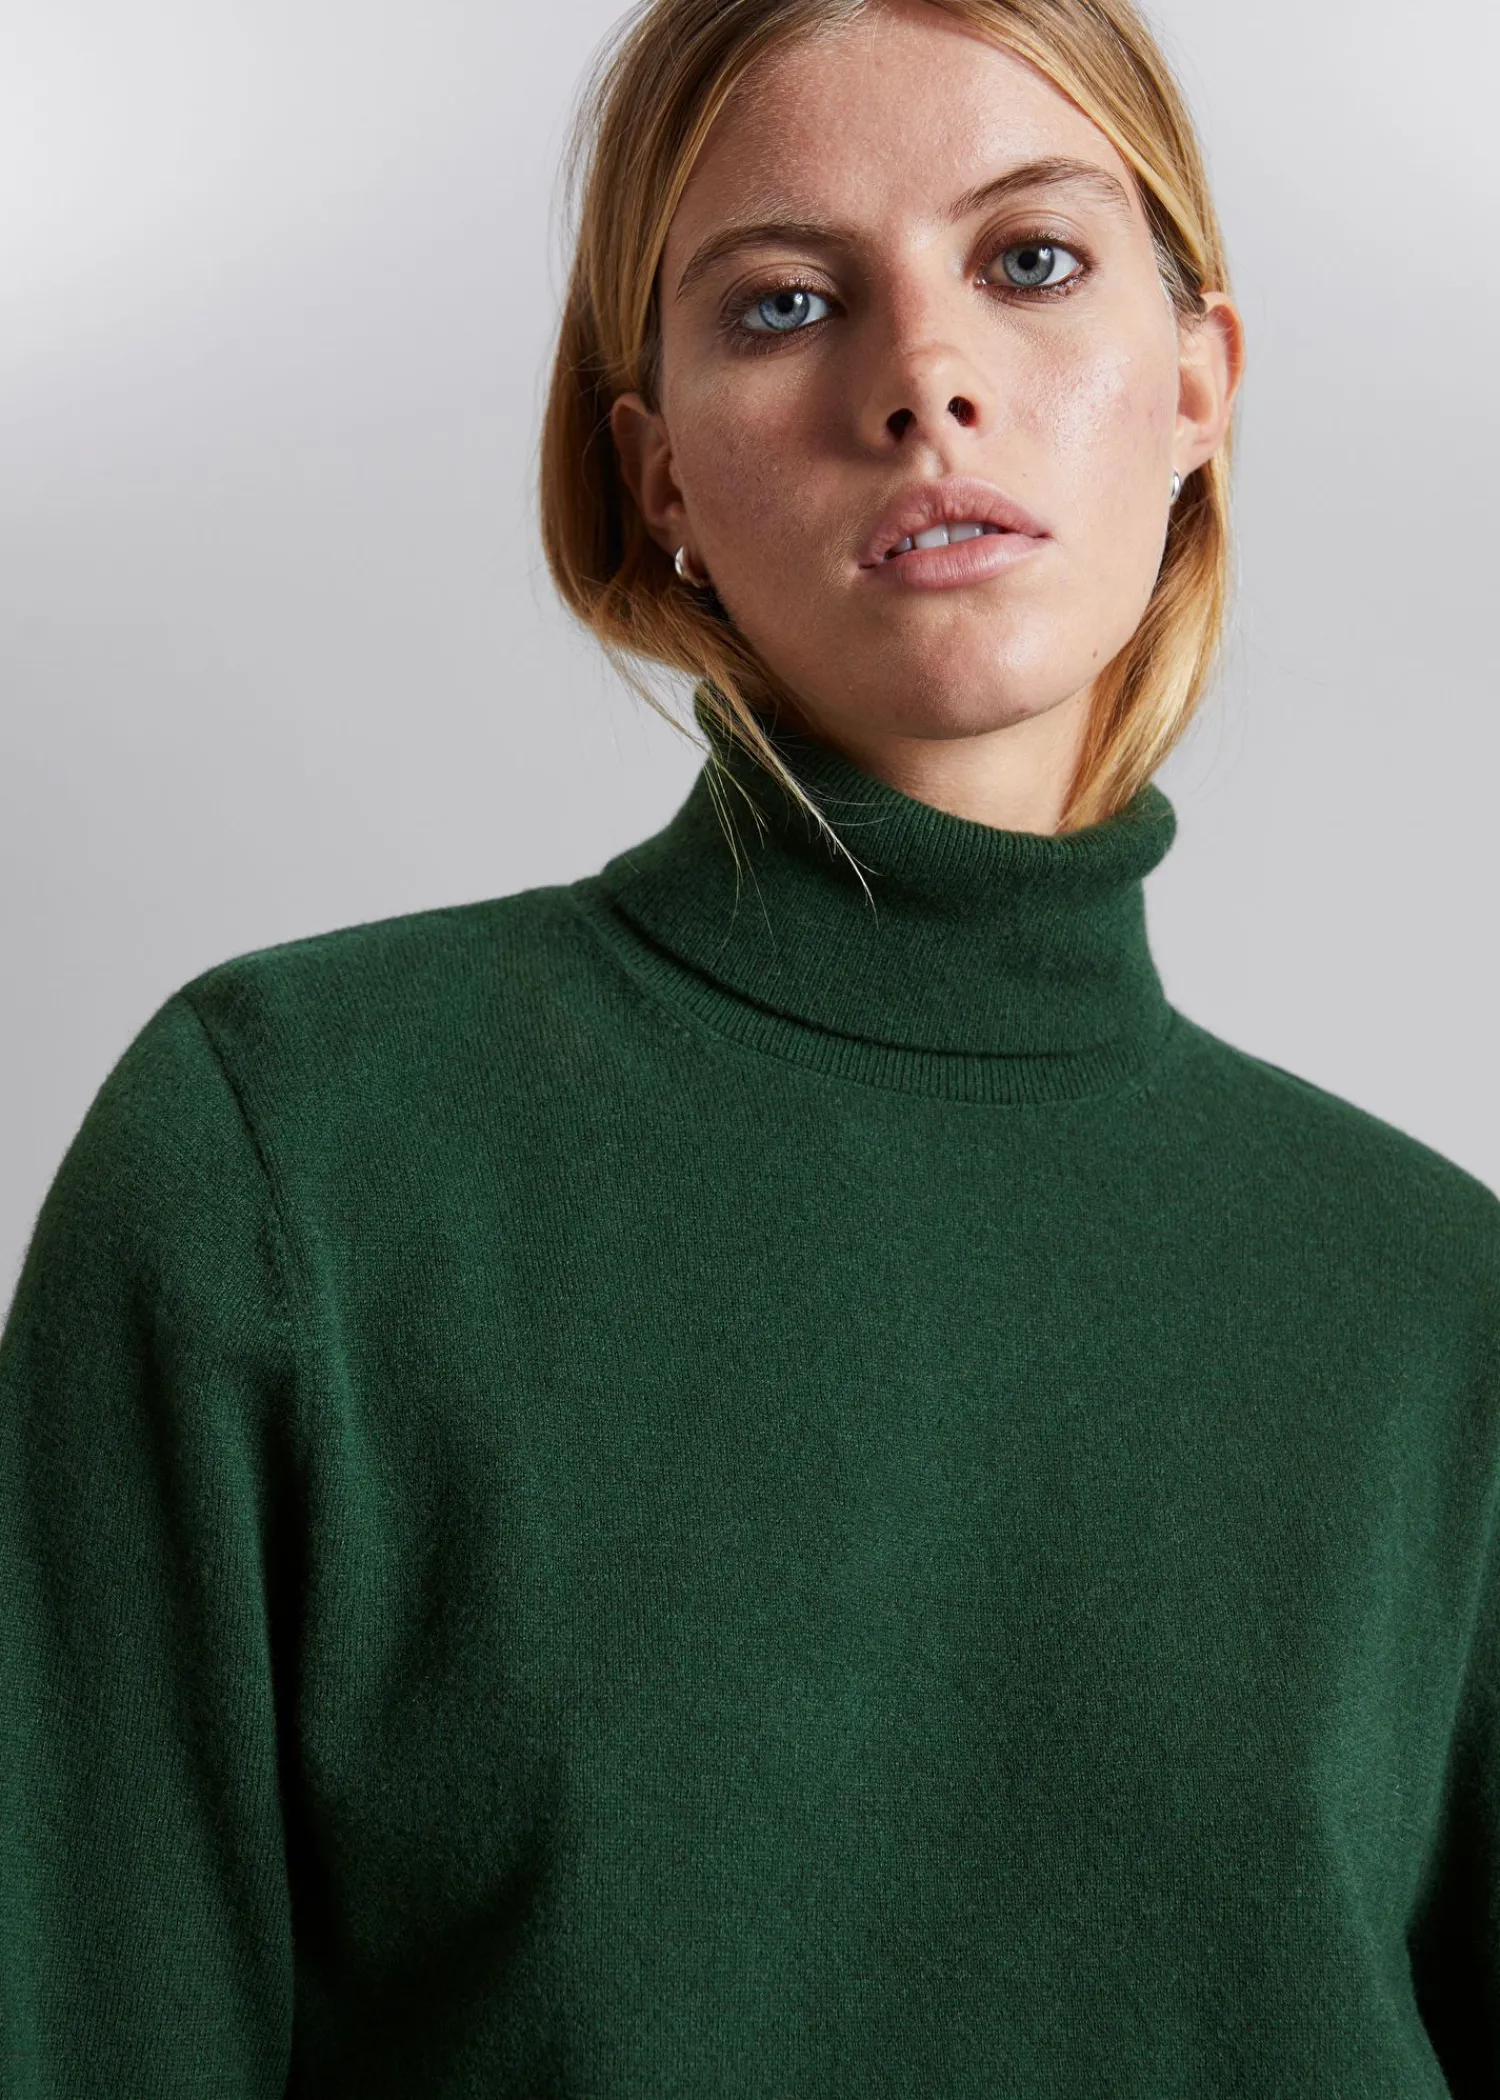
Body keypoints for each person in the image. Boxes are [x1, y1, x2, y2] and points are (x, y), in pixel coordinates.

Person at [2, 0, 1496, 2092]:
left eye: (1032, 259)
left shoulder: (1444, 1311)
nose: (924, 378)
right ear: (660, 475)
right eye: (786, 303)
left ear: (1196, 387)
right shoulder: (287, 1171)